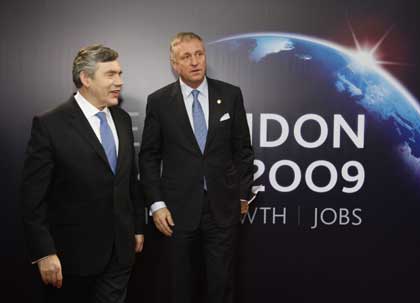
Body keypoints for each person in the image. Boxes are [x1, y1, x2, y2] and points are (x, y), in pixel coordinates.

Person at [20, 44, 144, 303]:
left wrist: (137, 228)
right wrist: (44, 252)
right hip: (71, 260)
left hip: (120, 254)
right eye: (110, 74)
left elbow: (128, 180)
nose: (119, 82)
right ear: (86, 79)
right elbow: (32, 199)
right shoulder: (50, 125)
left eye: (120, 74)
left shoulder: (121, 119)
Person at [139, 32, 254, 303]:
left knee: (221, 285)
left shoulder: (230, 94)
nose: (194, 62)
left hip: (222, 209)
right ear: (174, 63)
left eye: (199, 54)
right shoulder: (158, 102)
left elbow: (244, 151)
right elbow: (149, 157)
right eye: (186, 56)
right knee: (180, 287)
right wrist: (156, 204)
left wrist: (241, 194)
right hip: (177, 212)